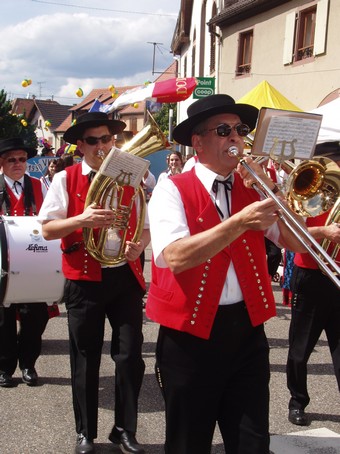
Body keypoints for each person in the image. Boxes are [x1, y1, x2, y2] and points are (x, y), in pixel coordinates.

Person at [146, 94, 306, 454]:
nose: (236, 138)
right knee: (189, 443)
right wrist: (238, 222)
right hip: (190, 338)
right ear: (198, 142)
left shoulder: (251, 189)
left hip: (247, 331)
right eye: (224, 130)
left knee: (252, 442)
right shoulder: (171, 189)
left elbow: (295, 243)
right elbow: (174, 256)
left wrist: (275, 193)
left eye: (240, 130)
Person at [38, 111, 148, 454]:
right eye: (92, 141)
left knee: (130, 356)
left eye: (106, 139)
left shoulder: (130, 173)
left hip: (123, 277)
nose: (101, 146)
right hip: (84, 279)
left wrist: (139, 245)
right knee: (86, 358)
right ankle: (85, 432)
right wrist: (81, 219)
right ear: (80, 146)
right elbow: (46, 230)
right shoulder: (65, 179)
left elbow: (143, 222)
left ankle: (124, 430)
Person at [286, 147, 340, 426]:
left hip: (337, 277)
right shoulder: (305, 189)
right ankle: (297, 402)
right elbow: (291, 230)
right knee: (300, 348)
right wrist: (325, 232)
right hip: (311, 275)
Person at [0, 137, 49, 388]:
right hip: (1, 267)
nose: (18, 164)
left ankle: (28, 363)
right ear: (2, 163)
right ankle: (5, 366)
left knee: (36, 317)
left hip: (34, 264)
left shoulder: (40, 186)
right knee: (3, 319)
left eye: (22, 159)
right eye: (12, 160)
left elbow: (51, 220)